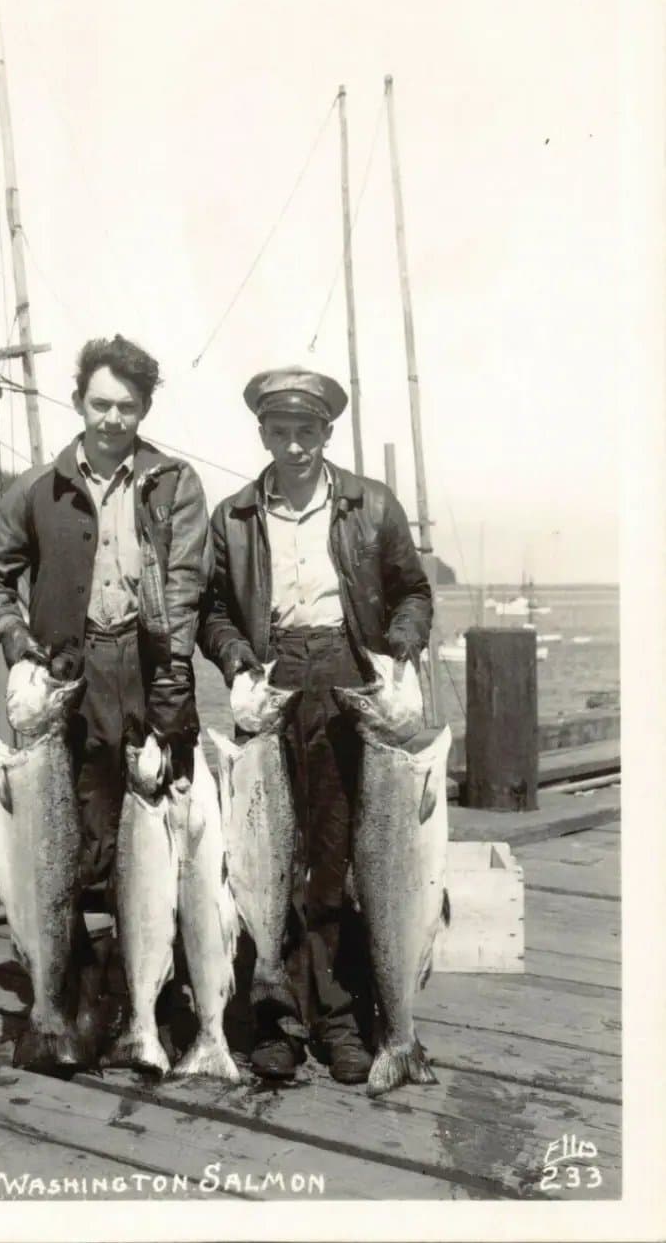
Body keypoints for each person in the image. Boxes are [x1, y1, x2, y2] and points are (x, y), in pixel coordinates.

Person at [199, 366, 433, 1083]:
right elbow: (211, 611)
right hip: (270, 678)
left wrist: (397, 650)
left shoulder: (371, 504)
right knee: (261, 854)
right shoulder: (235, 516)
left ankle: (336, 1018)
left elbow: (412, 594)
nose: (294, 445)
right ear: (262, 434)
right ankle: (273, 1021)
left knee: (332, 856)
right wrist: (237, 661)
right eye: (280, 432)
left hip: (346, 672)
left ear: (327, 433)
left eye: (307, 432)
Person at [0, 332, 210, 904]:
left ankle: (156, 981)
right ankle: (79, 979)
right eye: (101, 404)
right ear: (78, 402)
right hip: (71, 680)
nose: (112, 419)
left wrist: (171, 681)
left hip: (155, 672)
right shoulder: (36, 489)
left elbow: (185, 586)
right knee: (76, 827)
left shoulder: (175, 484)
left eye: (127, 406)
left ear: (144, 409)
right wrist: (17, 637)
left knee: (162, 827)